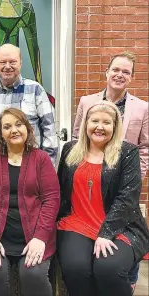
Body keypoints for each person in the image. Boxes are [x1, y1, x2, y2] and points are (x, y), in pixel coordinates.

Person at [72, 52, 149, 291]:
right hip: (91, 187)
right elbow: (77, 138)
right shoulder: (87, 102)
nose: (120, 75)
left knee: (118, 258)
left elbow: (145, 146)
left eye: (126, 72)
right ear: (106, 72)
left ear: (132, 77)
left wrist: (135, 177)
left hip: (124, 184)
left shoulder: (142, 108)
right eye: (116, 69)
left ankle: (127, 278)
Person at [57, 101, 149, 296]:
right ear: (86, 124)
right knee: (76, 268)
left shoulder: (127, 152)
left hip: (120, 225)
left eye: (106, 122)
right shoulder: (70, 150)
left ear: (115, 127)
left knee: (108, 268)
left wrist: (106, 233)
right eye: (95, 121)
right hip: (76, 222)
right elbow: (60, 190)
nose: (99, 126)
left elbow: (127, 198)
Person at [0, 108, 60, 296]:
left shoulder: (41, 159)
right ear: (1, 134)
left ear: (28, 129)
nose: (14, 130)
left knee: (32, 274)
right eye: (7, 126)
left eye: (18, 124)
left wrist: (40, 238)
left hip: (34, 235)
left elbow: (51, 200)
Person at [0, 44, 58, 168]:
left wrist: (45, 171)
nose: (7, 66)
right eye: (2, 62)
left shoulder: (35, 90)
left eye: (12, 62)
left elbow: (50, 133)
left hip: (31, 172)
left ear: (20, 63)